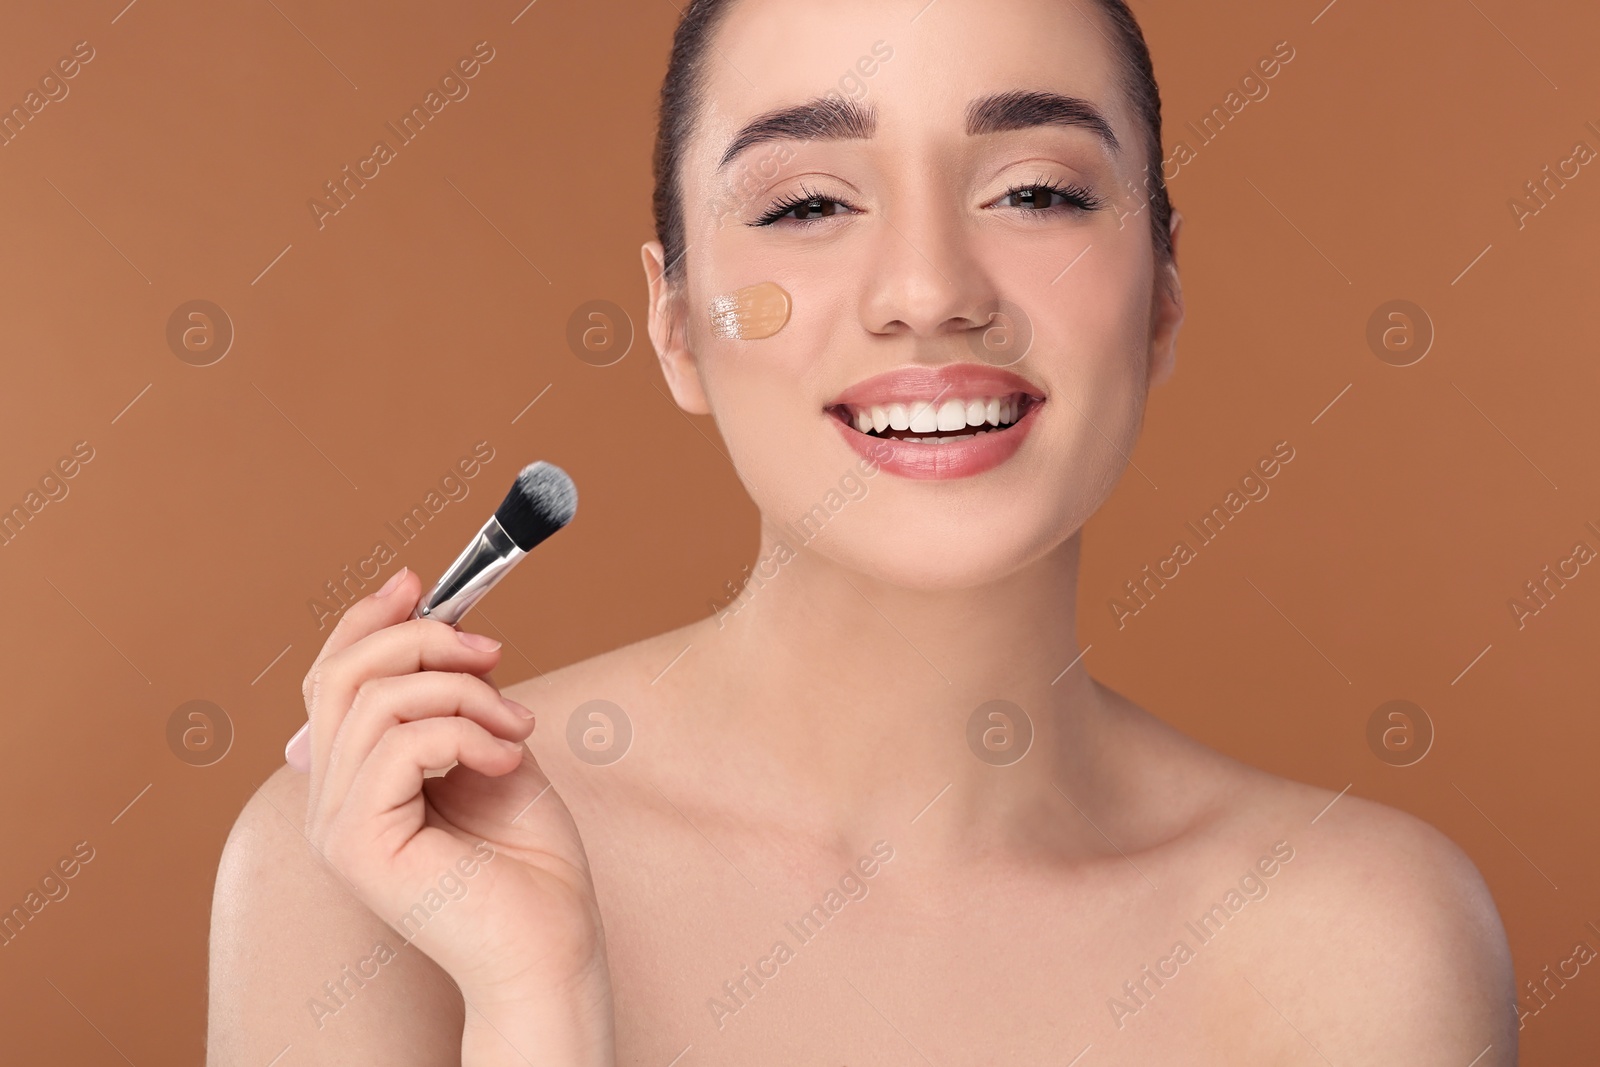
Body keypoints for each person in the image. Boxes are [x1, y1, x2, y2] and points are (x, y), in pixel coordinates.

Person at [208, 0, 1517, 1062]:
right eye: (807, 206)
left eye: (1039, 192)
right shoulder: (369, 875)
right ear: (675, 324)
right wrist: (536, 1007)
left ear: (1164, 291)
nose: (931, 291)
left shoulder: (1366, 940)